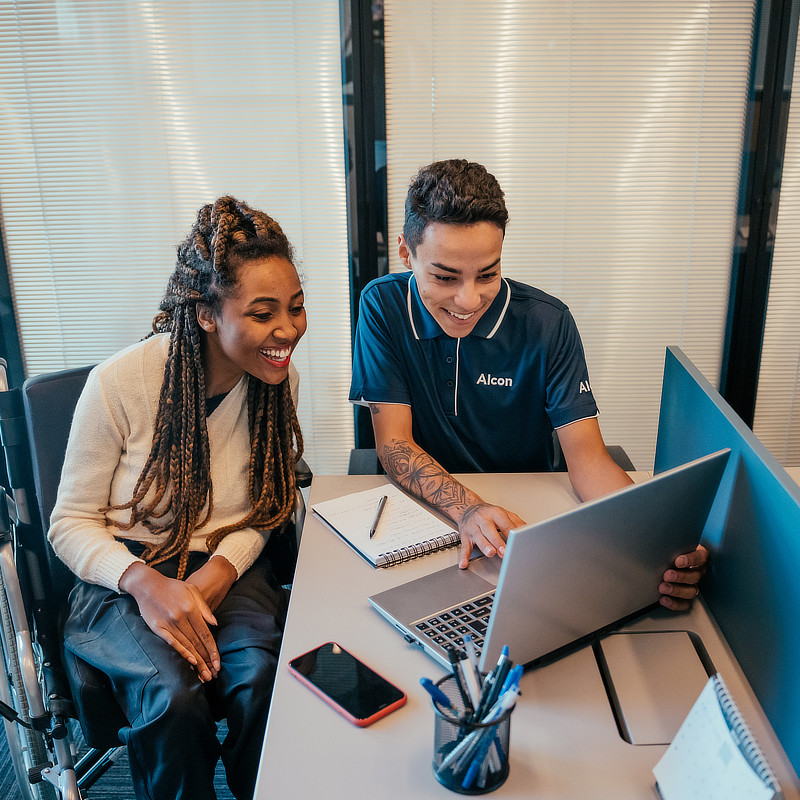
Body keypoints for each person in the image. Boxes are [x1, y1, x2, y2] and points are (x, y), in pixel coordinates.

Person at [350, 159, 706, 611]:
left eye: (487, 274)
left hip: (528, 522)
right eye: (444, 277)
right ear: (406, 252)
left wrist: (656, 548)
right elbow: (394, 444)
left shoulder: (547, 323)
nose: (468, 299)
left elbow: (590, 462)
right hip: (423, 521)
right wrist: (469, 509)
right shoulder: (382, 306)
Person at [49, 196, 307, 799]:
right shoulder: (120, 384)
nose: (288, 330)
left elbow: (266, 507)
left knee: (261, 677)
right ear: (207, 313)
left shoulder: (275, 379)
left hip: (227, 565)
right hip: (124, 572)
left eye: (295, 308)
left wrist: (222, 568)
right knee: (173, 698)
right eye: (264, 312)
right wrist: (144, 581)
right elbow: (69, 523)